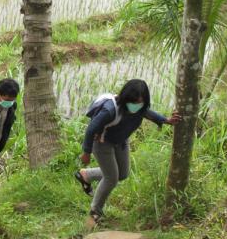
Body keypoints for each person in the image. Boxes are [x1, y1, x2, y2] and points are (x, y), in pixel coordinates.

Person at [75, 79, 181, 223]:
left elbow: (148, 113)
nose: (136, 106)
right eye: (133, 102)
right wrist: (86, 152)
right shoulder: (110, 110)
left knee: (123, 174)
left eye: (140, 103)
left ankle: (86, 175)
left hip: (121, 141)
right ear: (125, 98)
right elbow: (91, 129)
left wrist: (166, 120)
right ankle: (95, 212)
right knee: (111, 178)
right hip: (102, 143)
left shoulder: (140, 108)